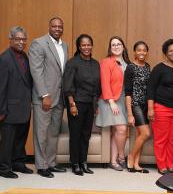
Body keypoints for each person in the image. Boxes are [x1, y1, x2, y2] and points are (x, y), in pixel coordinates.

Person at [29, 17, 68, 178]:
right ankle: (41, 165)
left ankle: (51, 163)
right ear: (49, 27)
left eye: (60, 26)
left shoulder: (64, 45)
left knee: (53, 133)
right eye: (54, 26)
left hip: (59, 97)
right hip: (44, 97)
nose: (57, 29)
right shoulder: (39, 43)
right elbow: (36, 71)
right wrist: (44, 94)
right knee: (41, 133)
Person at [0, 26, 34, 179]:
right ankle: (4, 168)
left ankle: (18, 163)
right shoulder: (4, 58)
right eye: (17, 39)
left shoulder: (24, 56)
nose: (21, 42)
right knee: (7, 141)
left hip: (24, 107)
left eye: (23, 39)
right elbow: (0, 87)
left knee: (20, 138)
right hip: (9, 109)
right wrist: (1, 110)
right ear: (10, 39)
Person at [62, 34, 101, 175]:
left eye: (88, 44)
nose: (86, 47)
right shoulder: (73, 63)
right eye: (83, 45)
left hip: (90, 104)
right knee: (76, 134)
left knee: (86, 135)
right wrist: (72, 104)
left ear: (91, 46)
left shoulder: (96, 63)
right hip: (77, 103)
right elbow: (68, 85)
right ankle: (75, 163)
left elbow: (98, 86)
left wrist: (96, 105)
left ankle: (83, 162)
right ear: (79, 47)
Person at [147, 39, 173, 174]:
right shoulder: (159, 68)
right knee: (161, 139)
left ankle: (170, 165)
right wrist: (150, 108)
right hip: (161, 108)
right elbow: (150, 89)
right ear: (166, 53)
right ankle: (162, 166)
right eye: (171, 51)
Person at [96, 36, 130, 171]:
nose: (116, 46)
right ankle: (122, 156)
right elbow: (104, 83)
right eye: (113, 45)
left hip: (123, 100)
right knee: (122, 129)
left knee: (117, 131)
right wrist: (111, 102)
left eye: (118, 44)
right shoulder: (106, 62)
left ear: (123, 46)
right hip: (110, 100)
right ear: (110, 48)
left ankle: (113, 161)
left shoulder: (128, 63)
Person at [125, 41, 151, 173]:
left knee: (141, 134)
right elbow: (128, 92)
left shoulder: (147, 66)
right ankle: (130, 156)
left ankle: (136, 164)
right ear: (134, 52)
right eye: (139, 50)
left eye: (144, 50)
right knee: (146, 133)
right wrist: (129, 113)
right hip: (135, 105)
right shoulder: (130, 67)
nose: (142, 52)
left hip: (145, 105)